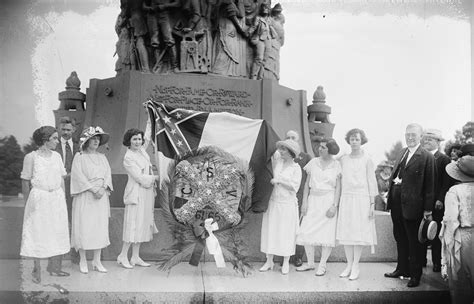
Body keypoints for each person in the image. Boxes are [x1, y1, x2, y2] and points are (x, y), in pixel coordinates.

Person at [384, 123, 435, 288]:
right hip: (397, 205)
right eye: (407, 134)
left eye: (413, 134)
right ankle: (401, 269)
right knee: (400, 238)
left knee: (414, 242)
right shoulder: (402, 152)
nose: (410, 137)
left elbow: (430, 186)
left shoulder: (427, 157)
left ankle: (415, 275)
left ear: (421, 136)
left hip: (414, 207)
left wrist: (428, 209)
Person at [20, 126, 70, 283]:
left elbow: (61, 178)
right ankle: (37, 268)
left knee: (57, 231)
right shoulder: (31, 157)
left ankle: (55, 268)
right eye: (54, 138)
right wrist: (29, 203)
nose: (57, 141)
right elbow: (25, 180)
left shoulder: (56, 157)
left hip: (56, 198)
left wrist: (63, 200)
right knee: (38, 232)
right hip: (39, 198)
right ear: (44, 140)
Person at [336, 128, 377, 280]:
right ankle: (348, 264)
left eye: (357, 139)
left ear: (362, 141)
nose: (354, 142)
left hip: (362, 199)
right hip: (347, 198)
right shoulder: (343, 159)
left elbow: (371, 182)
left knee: (358, 233)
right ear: (348, 141)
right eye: (352, 139)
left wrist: (372, 204)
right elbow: (338, 179)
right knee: (347, 233)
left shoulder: (367, 159)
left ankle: (356, 266)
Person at [71, 126, 113, 274]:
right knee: (84, 226)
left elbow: (108, 174)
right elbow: (78, 175)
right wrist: (92, 188)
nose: (95, 141)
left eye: (97, 139)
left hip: (100, 196)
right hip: (86, 195)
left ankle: (97, 260)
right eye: (93, 139)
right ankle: (83, 259)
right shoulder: (80, 157)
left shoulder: (102, 158)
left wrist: (102, 187)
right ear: (86, 141)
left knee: (99, 227)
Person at [296, 138, 341, 276]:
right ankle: (310, 263)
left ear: (330, 150)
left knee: (326, 235)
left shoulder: (337, 165)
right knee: (306, 231)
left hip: (328, 200)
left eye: (324, 147)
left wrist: (334, 206)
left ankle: (322, 265)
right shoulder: (313, 162)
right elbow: (306, 185)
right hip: (313, 200)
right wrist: (304, 202)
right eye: (320, 147)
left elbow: (338, 187)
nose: (320, 149)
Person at [116, 127, 159, 269]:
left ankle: (135, 257)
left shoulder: (142, 151)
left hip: (147, 193)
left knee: (142, 225)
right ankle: (123, 255)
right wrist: (155, 177)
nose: (138, 141)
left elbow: (148, 134)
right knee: (132, 225)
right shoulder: (128, 157)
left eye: (139, 139)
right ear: (129, 140)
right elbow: (139, 177)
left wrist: (149, 116)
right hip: (136, 193)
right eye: (134, 139)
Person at [260, 139, 302, 275]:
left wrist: (280, 181)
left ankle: (285, 262)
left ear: (291, 153)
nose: (281, 151)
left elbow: (294, 187)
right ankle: (269, 260)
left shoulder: (296, 168)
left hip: (287, 205)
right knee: (271, 230)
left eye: (284, 149)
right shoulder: (278, 162)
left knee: (285, 233)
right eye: (281, 149)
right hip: (274, 202)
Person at [421, 129, 456, 272]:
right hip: (421, 201)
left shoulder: (443, 159)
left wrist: (441, 199)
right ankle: (421, 260)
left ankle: (436, 262)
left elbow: (446, 182)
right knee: (422, 232)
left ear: (438, 142)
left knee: (435, 234)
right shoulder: (421, 157)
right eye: (426, 139)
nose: (427, 141)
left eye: (431, 139)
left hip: (436, 202)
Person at [440, 154, 474, 304]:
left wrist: (446, 250)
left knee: (461, 285)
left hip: (463, 238)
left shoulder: (455, 191)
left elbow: (451, 220)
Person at [54, 116, 80, 265]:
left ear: (74, 130)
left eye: (68, 129)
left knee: (74, 221)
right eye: (63, 129)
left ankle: (75, 256)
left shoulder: (78, 146)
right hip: (57, 189)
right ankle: (56, 257)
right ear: (58, 129)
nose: (65, 132)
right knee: (57, 222)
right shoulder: (54, 146)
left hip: (74, 190)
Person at [285, 130, 312, 267]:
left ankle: (298, 256)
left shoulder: (306, 157)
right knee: (287, 226)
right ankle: (286, 254)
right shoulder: (283, 155)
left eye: (293, 137)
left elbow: (310, 180)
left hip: (301, 196)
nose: (291, 139)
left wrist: (306, 200)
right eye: (288, 137)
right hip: (285, 197)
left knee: (300, 228)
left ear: (298, 140)